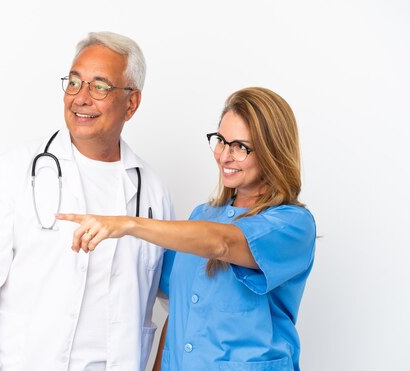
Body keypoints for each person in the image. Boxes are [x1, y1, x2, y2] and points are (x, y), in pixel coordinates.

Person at [0, 31, 174, 371]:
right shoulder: (15, 170)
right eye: (74, 83)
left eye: (99, 86)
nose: (81, 97)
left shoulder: (153, 192)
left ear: (131, 103)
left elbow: (177, 297)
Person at [57, 87, 316, 370]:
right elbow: (179, 312)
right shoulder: (202, 215)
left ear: (272, 151)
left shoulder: (292, 225)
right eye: (221, 140)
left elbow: (223, 244)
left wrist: (128, 223)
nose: (224, 156)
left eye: (241, 147)